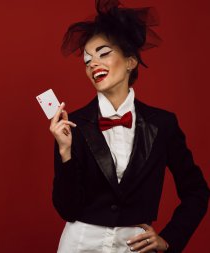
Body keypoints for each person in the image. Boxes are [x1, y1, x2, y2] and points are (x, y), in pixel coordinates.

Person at [49, 1, 209, 252]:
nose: (92, 64)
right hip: (79, 245)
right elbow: (66, 209)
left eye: (103, 53)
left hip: (134, 248)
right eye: (87, 60)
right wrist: (65, 153)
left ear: (130, 61)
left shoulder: (163, 124)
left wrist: (169, 240)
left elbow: (197, 191)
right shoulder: (73, 125)